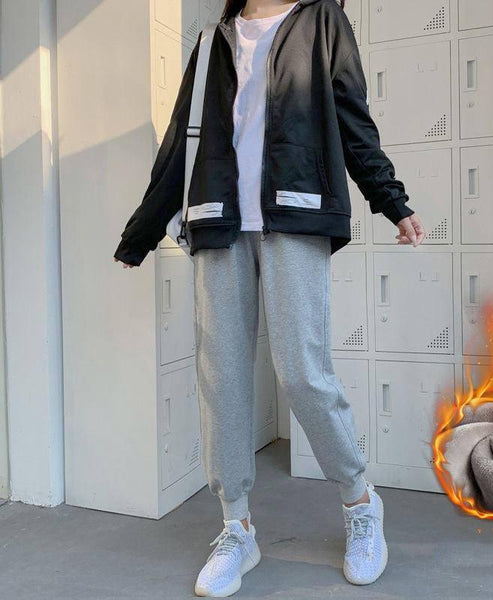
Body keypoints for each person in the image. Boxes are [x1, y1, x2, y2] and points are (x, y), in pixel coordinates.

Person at [114, 0, 425, 596]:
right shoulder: (212, 40)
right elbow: (181, 143)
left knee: (303, 372)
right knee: (222, 378)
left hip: (296, 215)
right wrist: (141, 233)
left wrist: (391, 200)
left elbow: (351, 116)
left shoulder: (322, 20)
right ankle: (237, 528)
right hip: (218, 219)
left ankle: (360, 502)